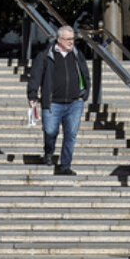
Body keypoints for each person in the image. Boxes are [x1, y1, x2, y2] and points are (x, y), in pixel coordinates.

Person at [27, 25, 89, 176]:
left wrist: (85, 92)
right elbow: (36, 76)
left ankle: (65, 166)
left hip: (75, 102)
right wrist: (32, 95)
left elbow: (85, 73)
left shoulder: (76, 54)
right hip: (52, 101)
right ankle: (49, 152)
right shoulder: (45, 55)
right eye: (67, 39)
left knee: (71, 134)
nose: (71, 42)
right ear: (59, 39)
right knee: (50, 130)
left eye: (73, 39)